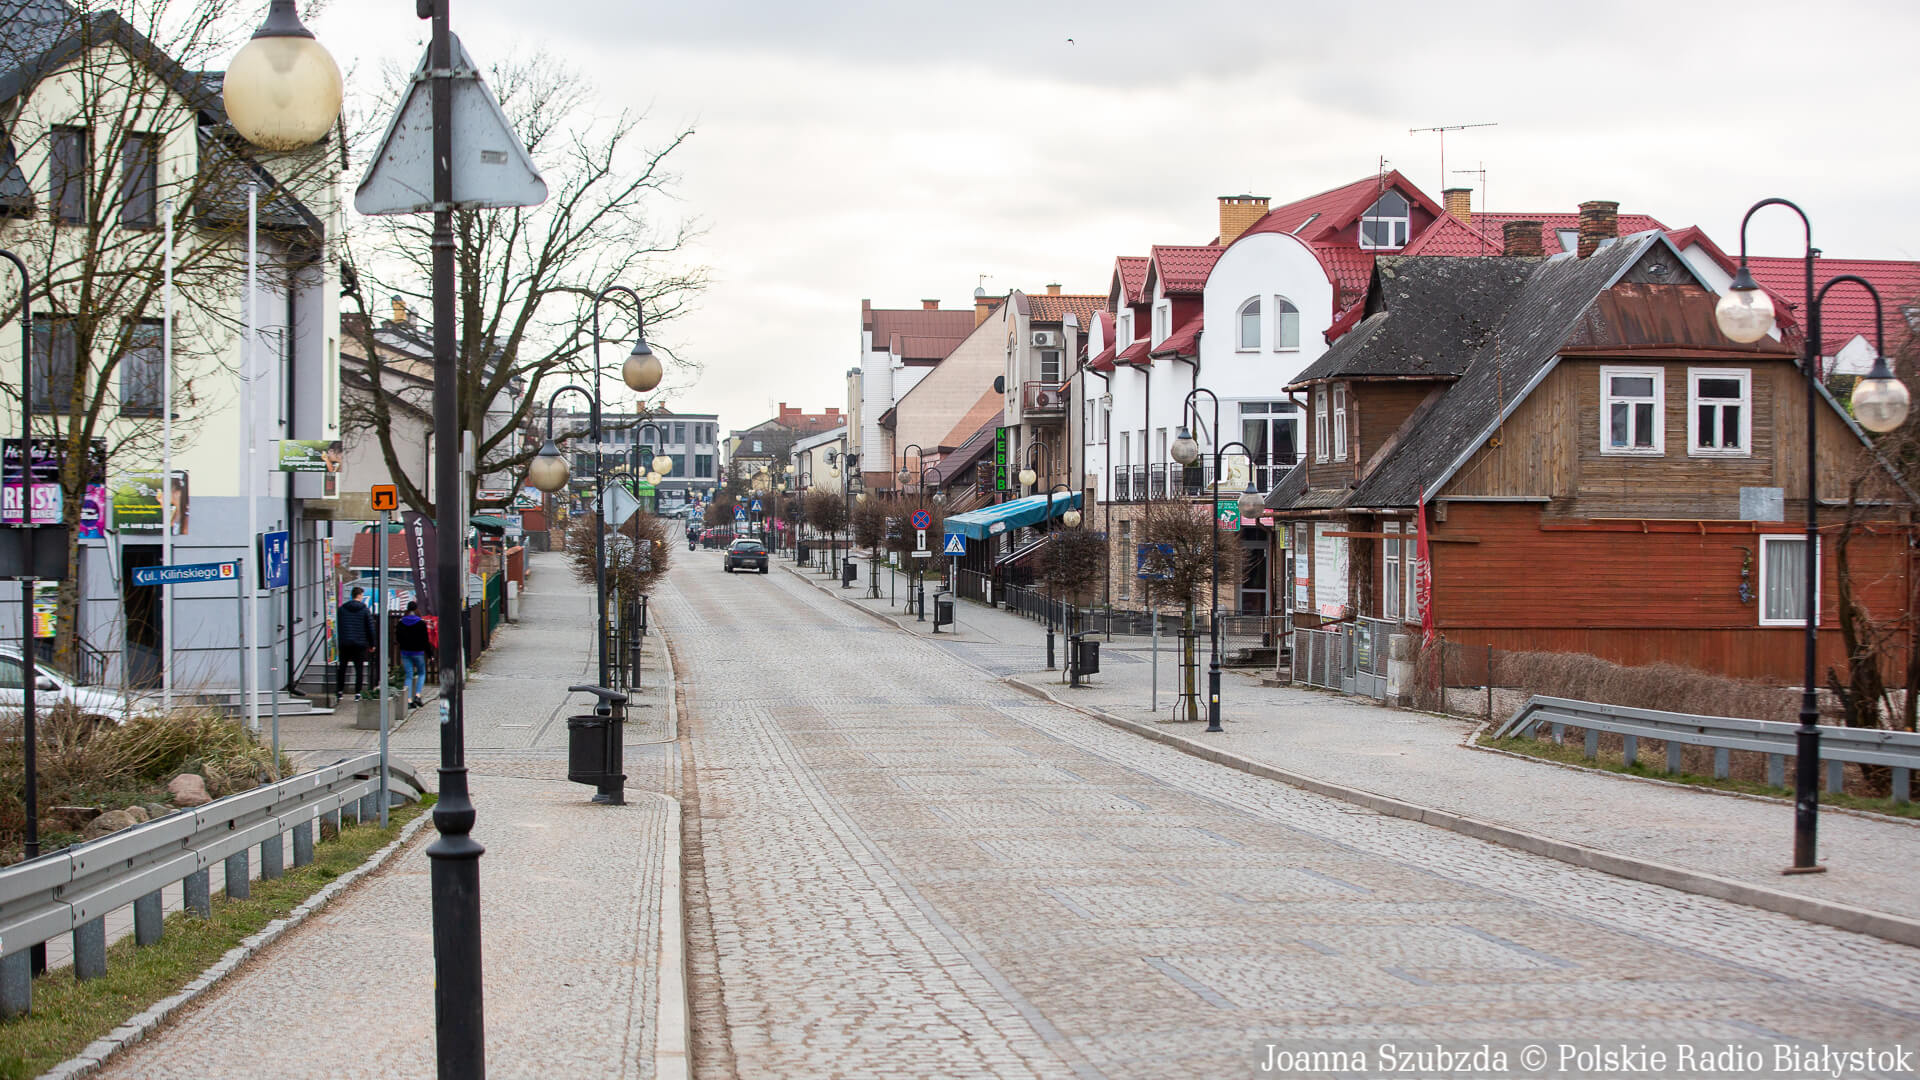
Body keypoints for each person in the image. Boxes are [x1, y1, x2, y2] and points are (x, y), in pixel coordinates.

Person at [335, 586, 377, 698]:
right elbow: (370, 628)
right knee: (359, 669)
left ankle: (339, 691)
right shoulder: (364, 610)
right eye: (362, 595)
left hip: (345, 643)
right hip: (360, 643)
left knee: (342, 667)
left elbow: (338, 626)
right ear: (359, 595)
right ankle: (357, 692)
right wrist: (372, 644)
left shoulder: (342, 609)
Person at [395, 600, 431, 708]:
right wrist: (430, 655)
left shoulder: (401, 623)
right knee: (421, 673)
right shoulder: (421, 623)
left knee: (409, 676)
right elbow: (425, 640)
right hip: (418, 652)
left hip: (405, 652)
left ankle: (409, 701)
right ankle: (418, 695)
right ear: (416, 609)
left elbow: (398, 639)